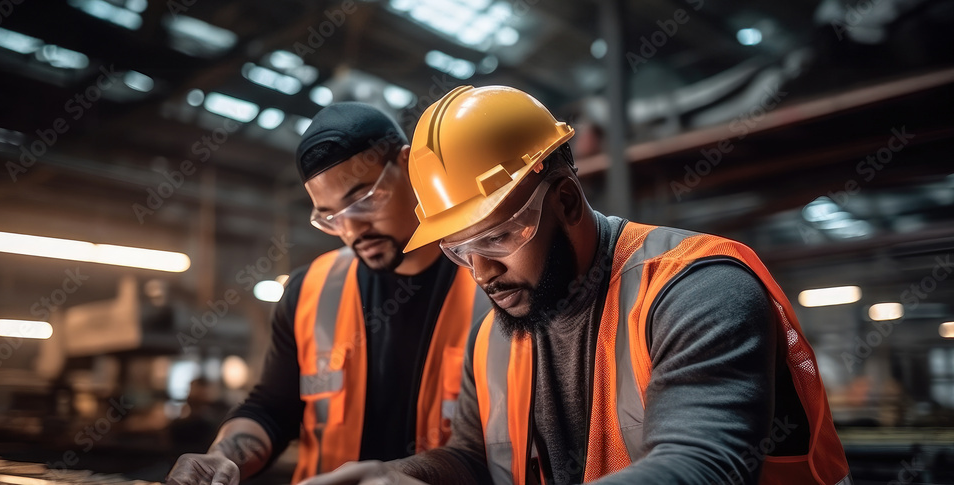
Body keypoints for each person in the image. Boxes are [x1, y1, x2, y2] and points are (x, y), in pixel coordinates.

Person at [302, 86, 851, 484]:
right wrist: (407, 476)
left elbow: (702, 465)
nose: (481, 272)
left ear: (566, 201)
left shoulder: (696, 289)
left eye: (496, 238)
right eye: (458, 250)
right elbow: (475, 457)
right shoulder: (495, 337)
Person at [166, 102, 489, 484]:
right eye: (331, 217)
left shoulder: (491, 279)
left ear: (410, 165)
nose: (352, 231)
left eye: (365, 201)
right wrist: (223, 457)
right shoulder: (310, 292)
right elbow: (272, 408)